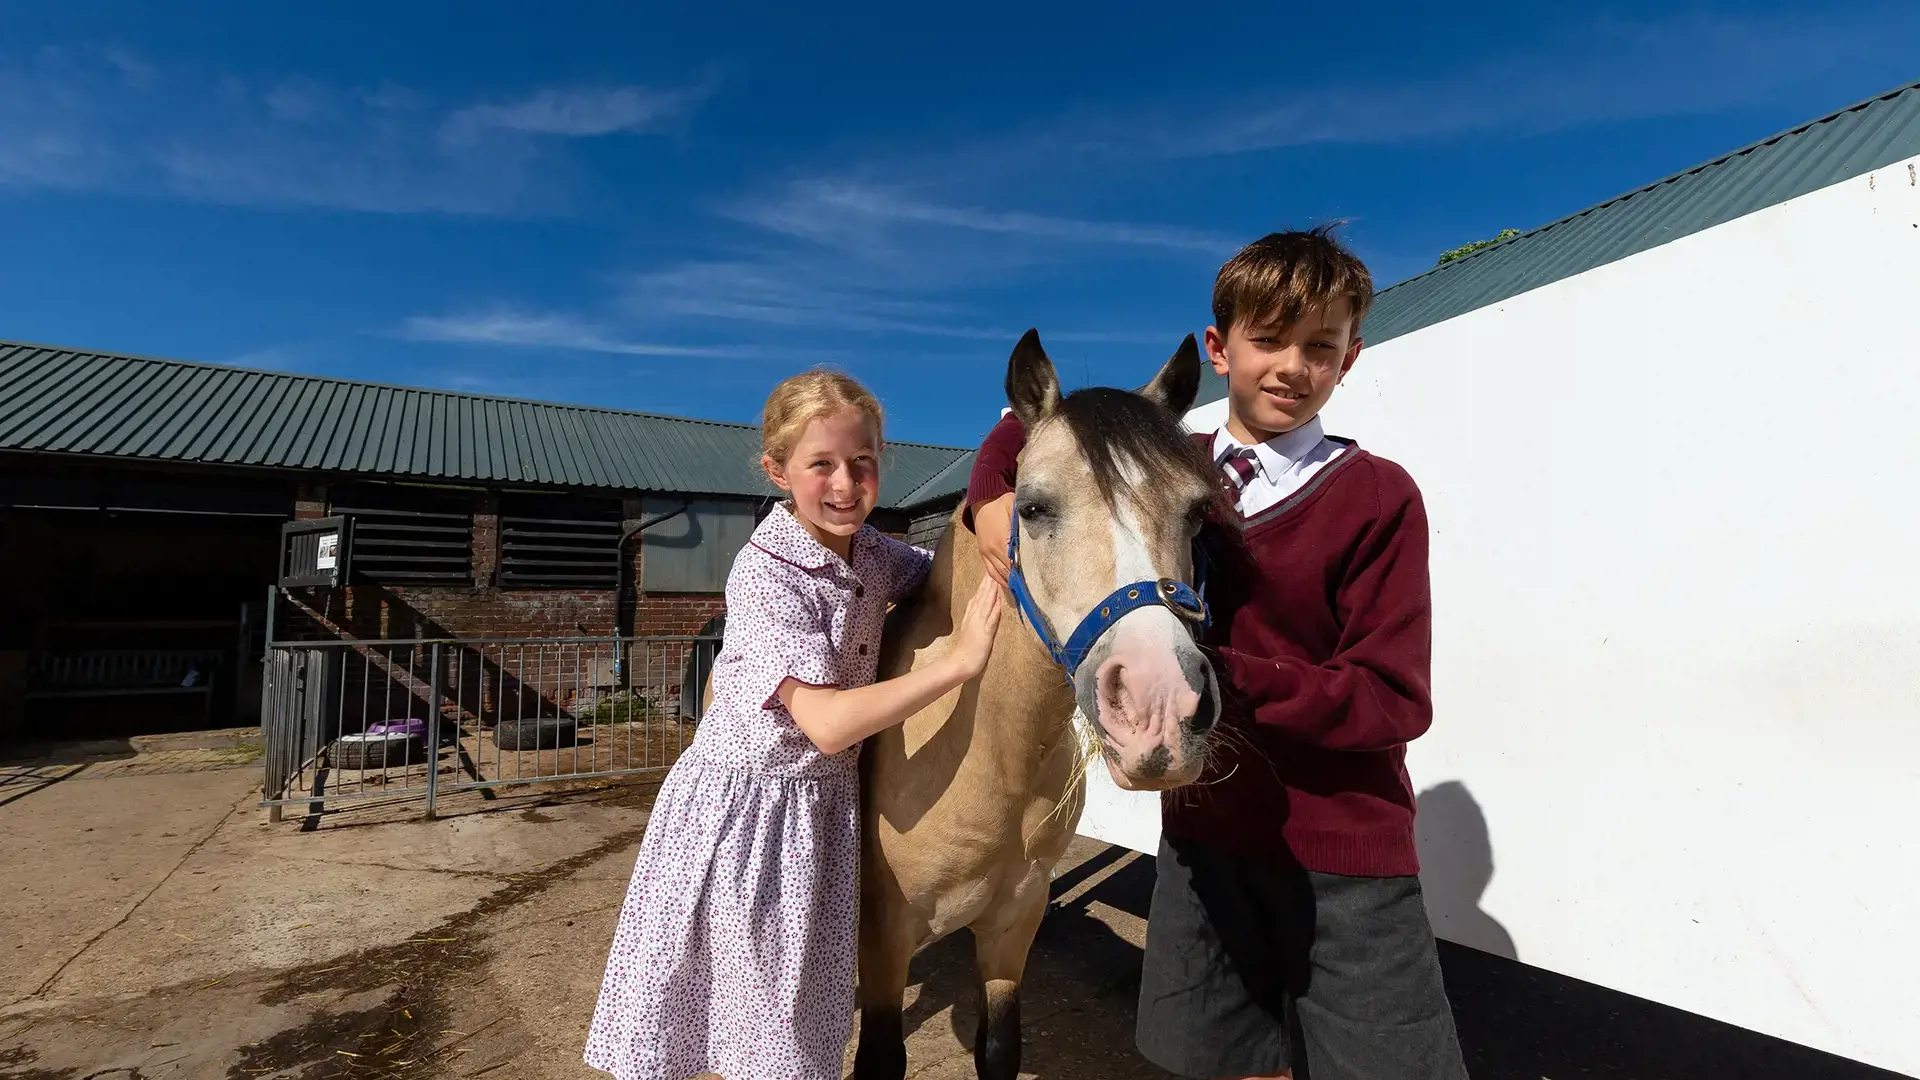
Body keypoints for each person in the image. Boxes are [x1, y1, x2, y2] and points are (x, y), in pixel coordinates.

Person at [965, 225, 1469, 1080]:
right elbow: (1024, 434)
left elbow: (1393, 699)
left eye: (1320, 346)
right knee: (1226, 1067)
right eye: (1266, 339)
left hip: (1342, 856)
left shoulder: (1378, 498)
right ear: (1218, 349)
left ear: (1349, 360)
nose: (1290, 366)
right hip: (1204, 847)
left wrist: (1224, 680)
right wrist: (990, 508)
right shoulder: (1166, 465)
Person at [585, 368, 1005, 1080]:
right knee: (744, 1011)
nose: (846, 484)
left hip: (817, 810)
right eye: (822, 464)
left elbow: (945, 573)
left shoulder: (874, 552)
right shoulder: (765, 572)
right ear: (777, 470)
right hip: (748, 815)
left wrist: (1000, 495)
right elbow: (829, 725)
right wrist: (956, 666)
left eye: (863, 463)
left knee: (797, 1015)